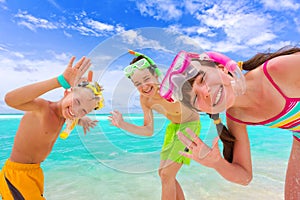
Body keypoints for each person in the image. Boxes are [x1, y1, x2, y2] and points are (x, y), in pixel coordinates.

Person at [159, 46, 300, 199]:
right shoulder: (236, 117)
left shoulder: (277, 70)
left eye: (203, 79)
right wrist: (216, 163)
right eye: (195, 98)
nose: (206, 92)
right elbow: (245, 177)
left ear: (222, 68)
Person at [0, 56, 104, 199]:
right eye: (77, 101)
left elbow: (75, 115)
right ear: (67, 92)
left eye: (84, 110)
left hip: (34, 172)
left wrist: (83, 120)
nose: (76, 110)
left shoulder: (66, 116)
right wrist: (60, 81)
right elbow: (10, 99)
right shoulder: (42, 108)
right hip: (17, 175)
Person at [109, 50, 201, 200]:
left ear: (156, 74)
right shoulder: (145, 100)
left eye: (146, 79)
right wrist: (122, 124)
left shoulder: (171, 86)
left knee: (167, 174)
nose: (144, 86)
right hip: (174, 128)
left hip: (189, 126)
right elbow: (148, 130)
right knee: (163, 174)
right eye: (138, 83)